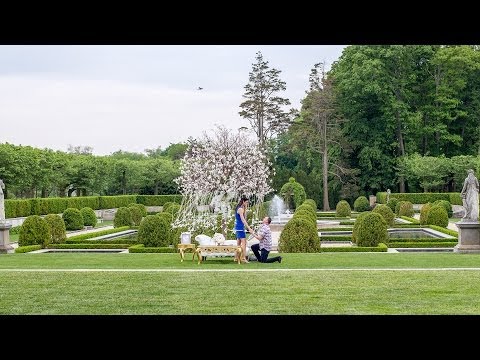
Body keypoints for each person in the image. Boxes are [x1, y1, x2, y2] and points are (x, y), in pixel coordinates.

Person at [234, 196, 254, 263]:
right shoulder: (240, 209)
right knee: (244, 243)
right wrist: (249, 228)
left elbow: (244, 217)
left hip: (238, 227)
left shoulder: (240, 208)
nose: (247, 203)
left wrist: (245, 208)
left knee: (238, 243)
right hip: (240, 228)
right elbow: (243, 219)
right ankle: (243, 258)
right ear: (243, 202)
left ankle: (236, 258)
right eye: (246, 202)